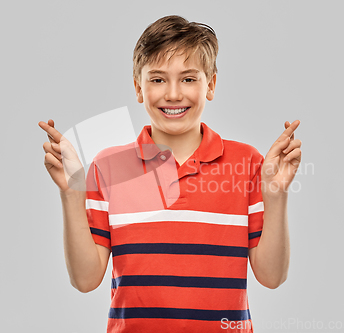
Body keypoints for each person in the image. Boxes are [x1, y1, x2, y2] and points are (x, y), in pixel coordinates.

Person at [38, 15, 302, 333]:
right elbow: (85, 280)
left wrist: (276, 195)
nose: (174, 94)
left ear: (211, 85)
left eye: (189, 79)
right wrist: (71, 193)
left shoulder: (246, 163)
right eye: (158, 79)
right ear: (138, 87)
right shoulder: (108, 167)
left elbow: (271, 277)